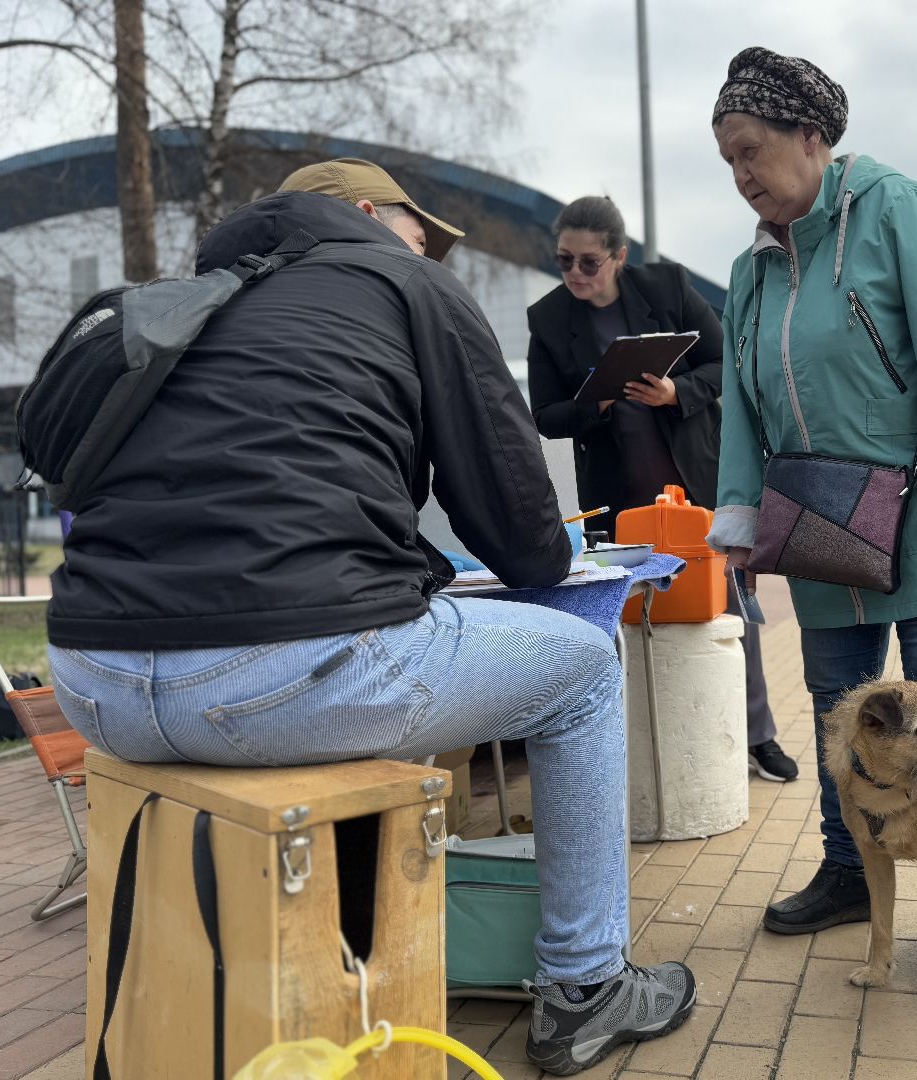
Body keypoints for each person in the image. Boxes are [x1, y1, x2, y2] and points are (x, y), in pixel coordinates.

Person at [45, 159, 694, 1076]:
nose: (429, 248)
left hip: (92, 682)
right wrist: (535, 566)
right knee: (583, 668)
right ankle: (587, 987)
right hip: (270, 680)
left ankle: (351, 940)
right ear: (360, 213)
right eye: (419, 230)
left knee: (385, 647)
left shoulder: (191, 301)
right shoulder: (409, 284)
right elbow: (523, 533)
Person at [707, 48, 917, 984]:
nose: (740, 175)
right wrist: (738, 514)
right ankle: (854, 870)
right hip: (820, 523)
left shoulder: (900, 212)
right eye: (727, 159)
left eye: (751, 151)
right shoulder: (752, 271)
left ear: (811, 139)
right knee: (836, 711)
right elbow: (741, 403)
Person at [527, 195, 797, 783]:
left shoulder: (668, 285)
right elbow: (544, 414)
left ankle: (758, 736)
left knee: (729, 604)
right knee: (619, 617)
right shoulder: (547, 318)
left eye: (588, 262)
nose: (574, 273)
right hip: (615, 501)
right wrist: (594, 403)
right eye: (564, 260)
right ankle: (631, 748)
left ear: (620, 257)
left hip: (693, 484)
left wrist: (677, 394)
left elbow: (726, 359)